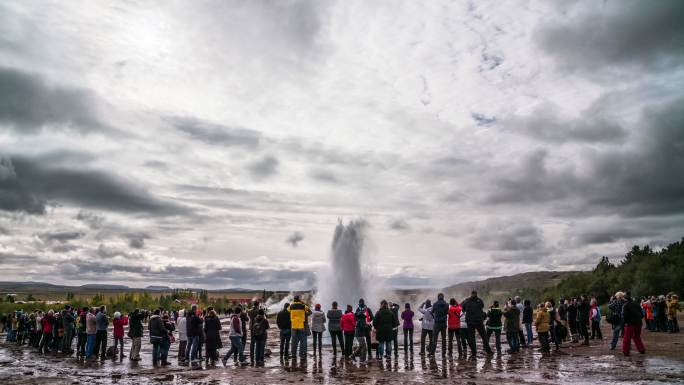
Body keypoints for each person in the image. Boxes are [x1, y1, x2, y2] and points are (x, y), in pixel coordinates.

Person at [461, 291, 493, 357]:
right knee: (484, 336)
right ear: (476, 294)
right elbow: (482, 306)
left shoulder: (466, 301)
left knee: (472, 338)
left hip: (470, 322)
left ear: (471, 294)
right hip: (479, 321)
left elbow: (462, 307)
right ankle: (488, 351)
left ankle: (474, 353)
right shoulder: (480, 300)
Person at [289, 295, 311, 360]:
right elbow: (310, 311)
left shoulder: (291, 306)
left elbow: (288, 311)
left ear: (294, 300)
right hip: (301, 325)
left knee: (294, 341)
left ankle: (293, 355)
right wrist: (305, 314)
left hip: (293, 326)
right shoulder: (303, 306)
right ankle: (301, 354)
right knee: (302, 341)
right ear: (299, 300)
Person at [354, 299, 371, 364]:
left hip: (366, 327)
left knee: (368, 341)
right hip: (361, 328)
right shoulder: (358, 310)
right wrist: (360, 322)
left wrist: (368, 322)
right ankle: (361, 359)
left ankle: (369, 354)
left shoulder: (368, 309)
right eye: (360, 303)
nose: (360, 304)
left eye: (361, 303)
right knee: (363, 345)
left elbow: (372, 317)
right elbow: (355, 317)